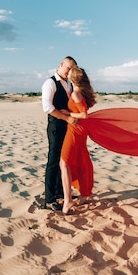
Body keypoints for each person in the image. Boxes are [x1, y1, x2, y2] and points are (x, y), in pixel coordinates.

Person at [41, 56, 78, 211]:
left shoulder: (69, 83)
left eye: (72, 69)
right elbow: (47, 107)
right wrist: (67, 118)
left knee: (64, 160)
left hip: (67, 127)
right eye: (68, 68)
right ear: (61, 65)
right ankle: (49, 199)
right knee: (53, 161)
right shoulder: (50, 82)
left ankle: (60, 192)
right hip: (56, 127)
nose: (70, 72)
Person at [59, 66, 97, 214]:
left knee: (64, 162)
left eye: (69, 72)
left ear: (72, 77)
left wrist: (68, 113)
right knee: (80, 160)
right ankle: (84, 194)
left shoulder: (76, 93)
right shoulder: (77, 92)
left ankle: (68, 201)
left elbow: (84, 115)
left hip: (76, 130)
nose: (66, 73)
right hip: (77, 130)